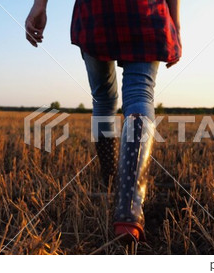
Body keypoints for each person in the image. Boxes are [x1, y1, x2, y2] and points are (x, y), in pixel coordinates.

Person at [26, 0, 181, 243]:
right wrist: (175, 25)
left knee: (103, 100)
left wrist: (40, 5)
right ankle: (128, 210)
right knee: (140, 94)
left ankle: (108, 175)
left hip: (96, 13)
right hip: (146, 10)